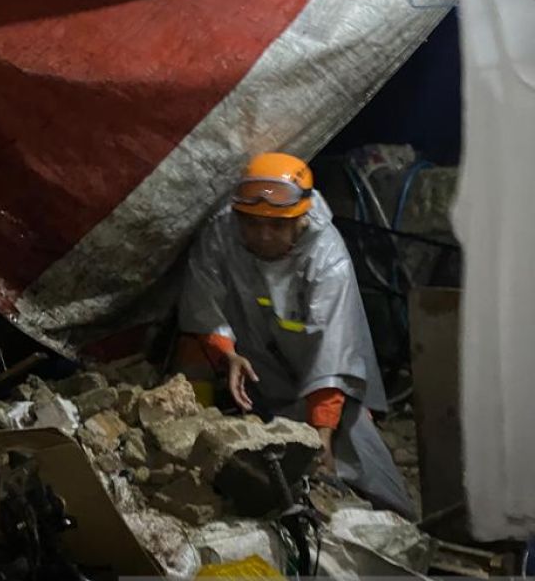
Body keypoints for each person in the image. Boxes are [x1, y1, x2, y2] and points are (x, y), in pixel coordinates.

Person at [177, 152, 415, 519]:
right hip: (259, 362)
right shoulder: (221, 234)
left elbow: (332, 352)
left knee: (353, 445)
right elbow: (202, 304)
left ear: (300, 219)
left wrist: (321, 437)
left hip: (319, 374)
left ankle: (395, 519)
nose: (262, 235)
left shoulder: (327, 257)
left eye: (276, 225)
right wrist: (226, 352)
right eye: (252, 224)